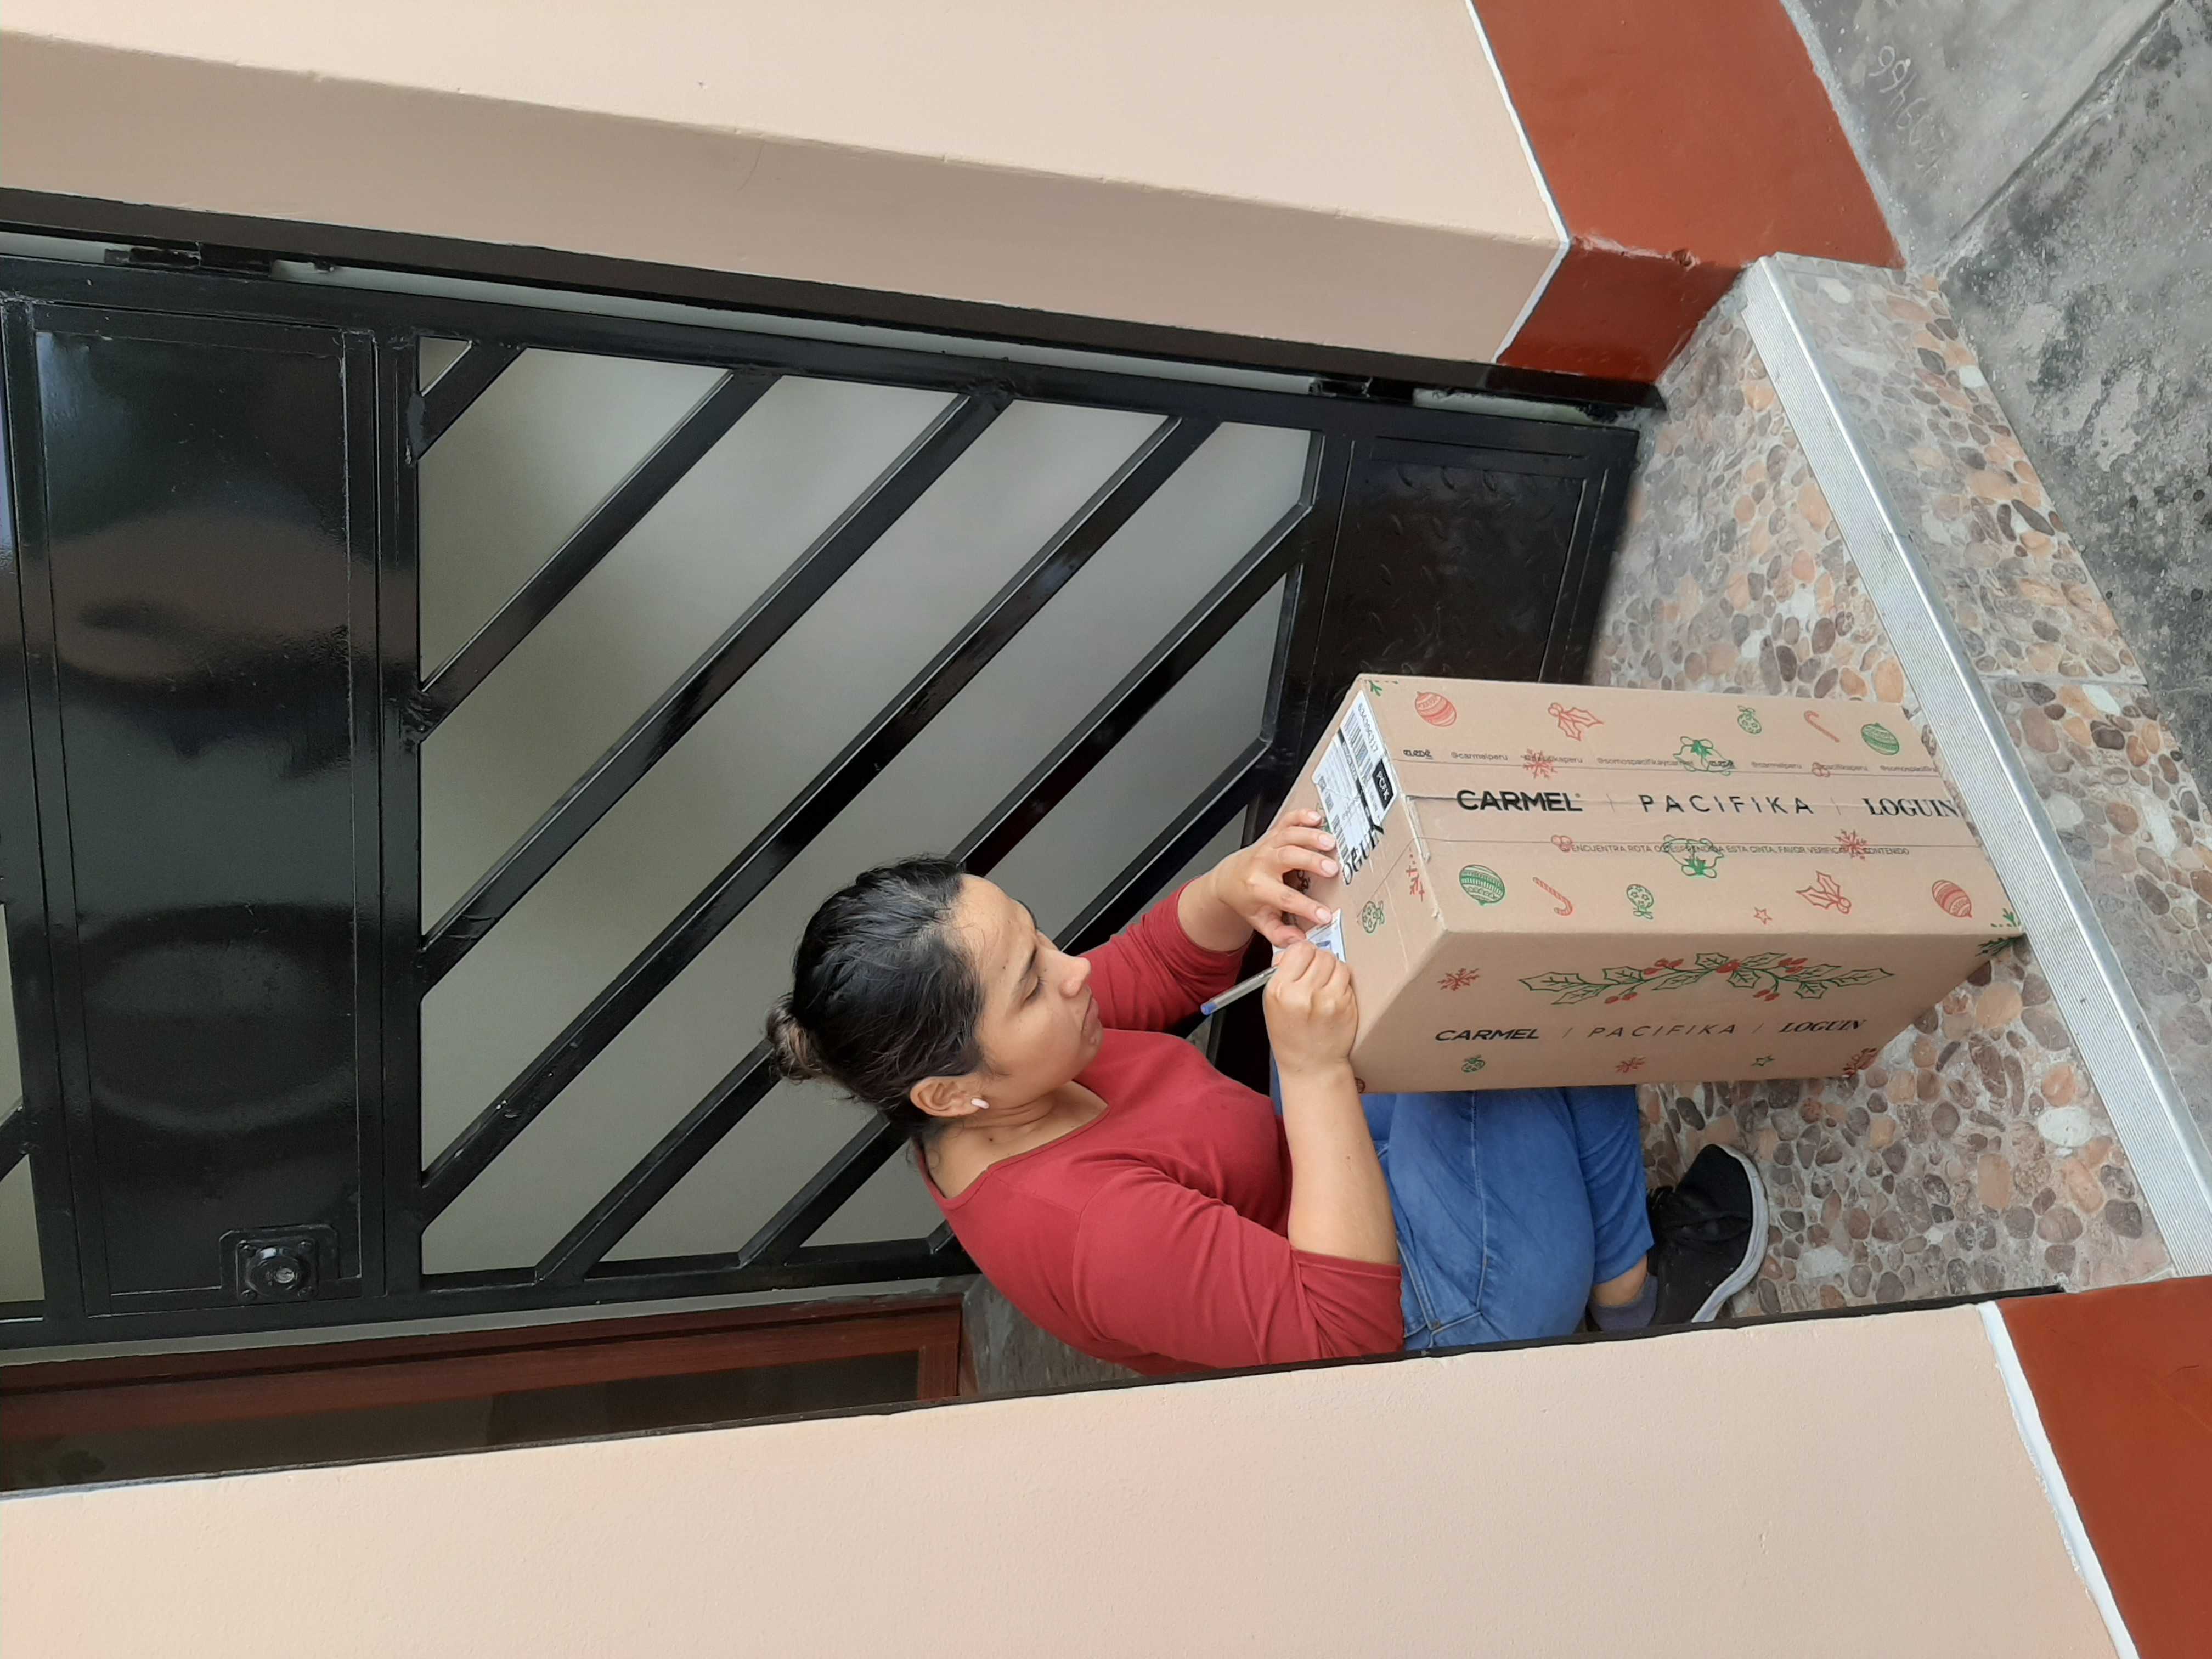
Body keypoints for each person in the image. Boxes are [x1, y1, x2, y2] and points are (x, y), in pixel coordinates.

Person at [767, 812, 1765, 1374]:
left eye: (1041, 937)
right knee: (1499, 1019)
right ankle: (1629, 1308)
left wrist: (1235, 886)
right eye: (1032, 983)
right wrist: (1319, 1071)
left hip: (1325, 1189)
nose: (1073, 973)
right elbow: (1346, 1338)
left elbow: (1150, 969)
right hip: (1416, 1319)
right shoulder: (1086, 1234)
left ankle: (1621, 1293)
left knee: (1461, 994)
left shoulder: (1016, 1065)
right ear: (948, 1096)